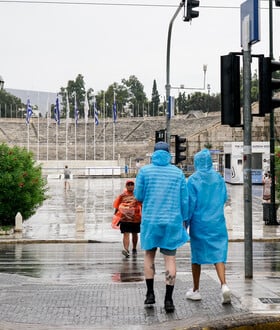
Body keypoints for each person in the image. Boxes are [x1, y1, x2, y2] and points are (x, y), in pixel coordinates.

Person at [134, 141, 189, 313]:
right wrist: (185, 220)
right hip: (171, 221)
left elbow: (138, 196)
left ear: (154, 154)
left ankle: (150, 293)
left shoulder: (144, 171)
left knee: (149, 256)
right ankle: (168, 300)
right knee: (170, 260)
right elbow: (184, 200)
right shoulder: (178, 173)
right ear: (169, 154)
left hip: (151, 220)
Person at [185, 149, 231, 304]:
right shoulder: (218, 178)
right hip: (217, 222)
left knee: (196, 256)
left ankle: (196, 289)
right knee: (219, 254)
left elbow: (189, 203)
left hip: (199, 223)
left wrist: (185, 222)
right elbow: (225, 197)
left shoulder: (192, 180)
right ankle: (224, 285)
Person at [113, 180, 142, 258]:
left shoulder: (138, 195)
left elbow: (142, 204)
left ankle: (134, 248)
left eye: (131, 184)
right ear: (126, 186)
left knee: (134, 233)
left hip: (136, 218)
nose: (130, 186)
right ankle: (126, 249)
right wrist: (115, 216)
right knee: (126, 233)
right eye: (128, 185)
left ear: (134, 186)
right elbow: (117, 205)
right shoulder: (122, 195)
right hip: (124, 218)